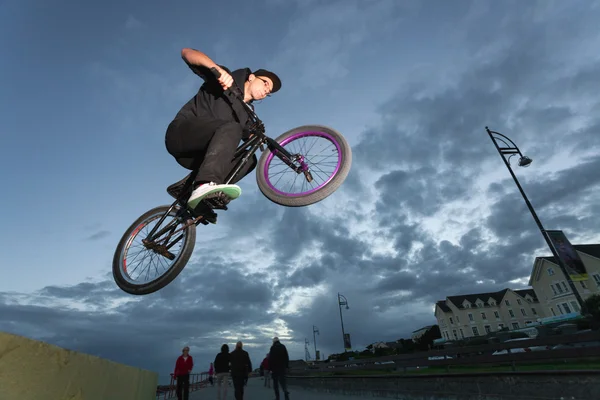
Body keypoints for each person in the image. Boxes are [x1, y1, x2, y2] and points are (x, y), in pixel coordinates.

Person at [165, 47, 282, 211]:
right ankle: (204, 183)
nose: (266, 91)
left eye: (268, 92)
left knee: (249, 159)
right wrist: (216, 69)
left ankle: (200, 200)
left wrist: (259, 136)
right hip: (181, 134)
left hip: (199, 157)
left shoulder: (247, 116)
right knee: (232, 127)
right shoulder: (226, 80)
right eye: (265, 83)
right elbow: (186, 53)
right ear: (251, 77)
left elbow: (250, 138)